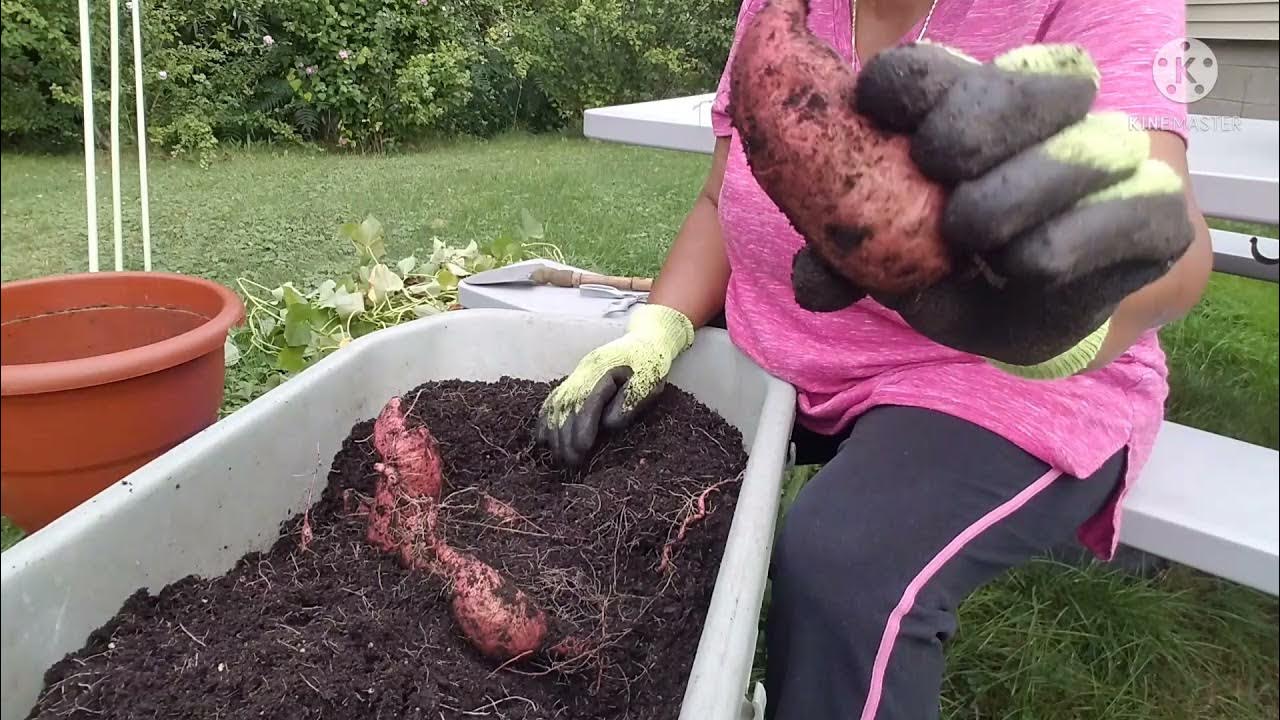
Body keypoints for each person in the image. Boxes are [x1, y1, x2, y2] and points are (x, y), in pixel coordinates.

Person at [534, 0, 1213, 718]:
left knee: (847, 563)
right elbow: (717, 201)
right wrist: (658, 327)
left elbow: (1171, 243)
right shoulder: (777, 10)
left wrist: (1061, 317)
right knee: (613, 468)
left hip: (989, 372)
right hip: (788, 347)